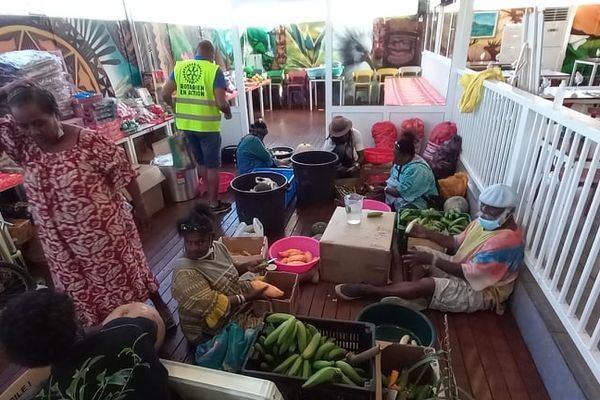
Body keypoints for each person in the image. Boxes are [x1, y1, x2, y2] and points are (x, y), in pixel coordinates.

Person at [0, 82, 172, 328]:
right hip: (59, 244)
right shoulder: (24, 146)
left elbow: (124, 174)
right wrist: (5, 92)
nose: (33, 131)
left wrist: (142, 208)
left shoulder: (89, 143)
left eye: (39, 122)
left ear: (55, 114)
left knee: (126, 275)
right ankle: (107, 329)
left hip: (102, 235)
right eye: (24, 125)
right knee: (81, 290)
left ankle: (152, 308)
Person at [336, 184, 524, 315]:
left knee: (429, 283)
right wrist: (426, 233)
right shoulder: (485, 224)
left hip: (481, 291)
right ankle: (413, 296)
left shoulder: (506, 244)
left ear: (508, 213)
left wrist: (432, 260)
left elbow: (470, 275)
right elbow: (454, 242)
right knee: (416, 252)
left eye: (489, 211)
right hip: (462, 268)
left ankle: (370, 290)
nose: (483, 214)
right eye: (482, 208)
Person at [0, 290, 172, 400]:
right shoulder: (127, 332)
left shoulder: (48, 394)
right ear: (74, 320)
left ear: (30, 361)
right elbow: (152, 322)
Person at [171, 203, 269, 345]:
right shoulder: (184, 274)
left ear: (211, 238)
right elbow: (214, 306)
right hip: (209, 327)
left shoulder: (218, 247)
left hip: (232, 300)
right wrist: (248, 297)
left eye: (199, 242)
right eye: (188, 242)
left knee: (269, 289)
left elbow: (230, 270)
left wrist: (246, 266)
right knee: (264, 329)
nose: (193, 248)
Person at [161, 39, 232, 214]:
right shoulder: (213, 70)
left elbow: (164, 93)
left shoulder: (180, 68)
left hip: (186, 124)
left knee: (201, 162)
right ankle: (214, 204)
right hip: (207, 127)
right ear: (212, 55)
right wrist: (228, 113)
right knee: (212, 165)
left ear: (196, 51)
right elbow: (221, 103)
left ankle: (208, 196)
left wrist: (175, 108)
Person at [384, 134, 438, 210]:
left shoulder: (419, 170)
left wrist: (384, 189)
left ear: (406, 155)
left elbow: (401, 193)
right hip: (400, 197)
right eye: (394, 154)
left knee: (404, 215)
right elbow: (393, 179)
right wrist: (380, 186)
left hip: (420, 201)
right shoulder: (401, 162)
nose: (394, 159)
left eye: (396, 155)